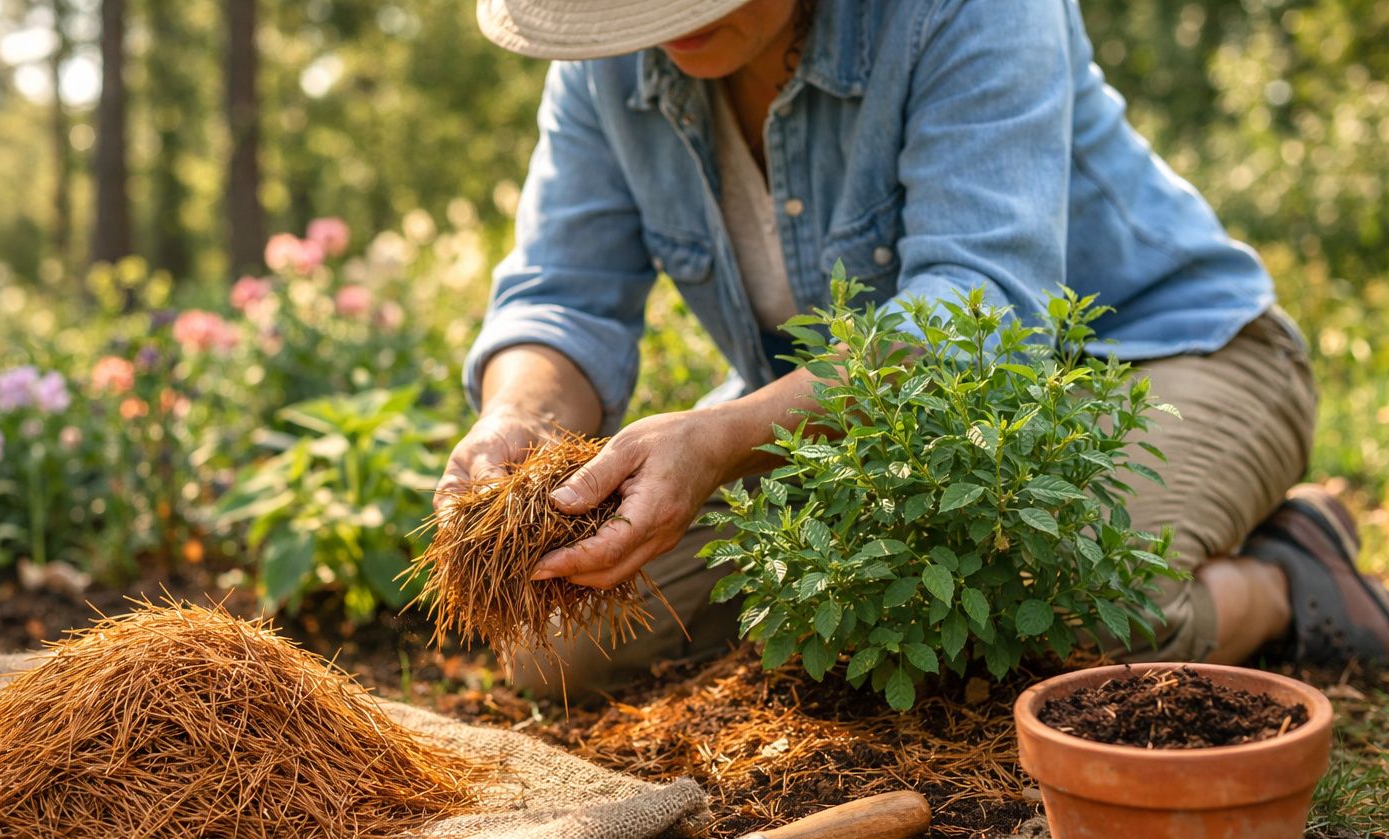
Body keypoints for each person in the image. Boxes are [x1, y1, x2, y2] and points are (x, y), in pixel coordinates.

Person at [436, 0, 1389, 692]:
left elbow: (977, 314)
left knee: (1072, 630)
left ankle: (1288, 572)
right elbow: (564, 296)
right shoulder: (613, 53)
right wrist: (519, 417)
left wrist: (726, 440)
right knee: (565, 649)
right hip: (859, 427)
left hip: (1163, 361)